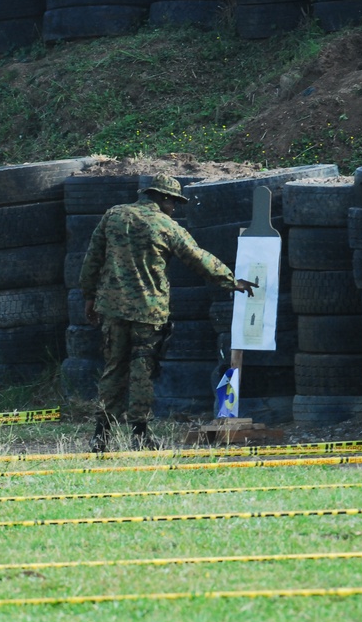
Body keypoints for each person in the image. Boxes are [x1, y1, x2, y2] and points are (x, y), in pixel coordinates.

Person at [78, 174, 256, 452]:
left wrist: (88, 296)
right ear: (163, 198)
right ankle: (140, 435)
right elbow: (198, 258)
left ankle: (101, 436)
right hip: (149, 311)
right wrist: (232, 281)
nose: (174, 208)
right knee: (141, 371)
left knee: (113, 369)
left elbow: (92, 259)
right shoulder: (166, 225)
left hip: (112, 309)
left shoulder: (113, 216)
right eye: (173, 203)